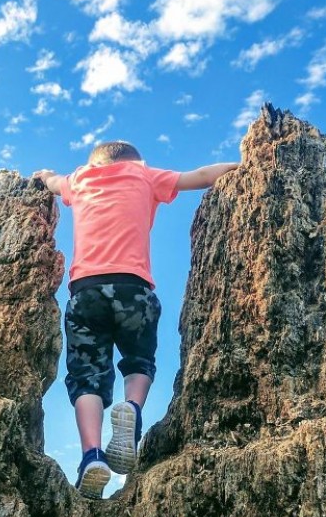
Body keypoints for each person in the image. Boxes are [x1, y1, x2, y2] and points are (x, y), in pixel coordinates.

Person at [33, 141, 237, 499]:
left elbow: (51, 181)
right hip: (134, 287)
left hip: (86, 291)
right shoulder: (145, 175)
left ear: (92, 164)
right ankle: (132, 407)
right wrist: (245, 164)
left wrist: (44, 176)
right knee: (138, 360)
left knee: (87, 379)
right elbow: (203, 176)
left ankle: (92, 456)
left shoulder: (79, 179)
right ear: (136, 161)